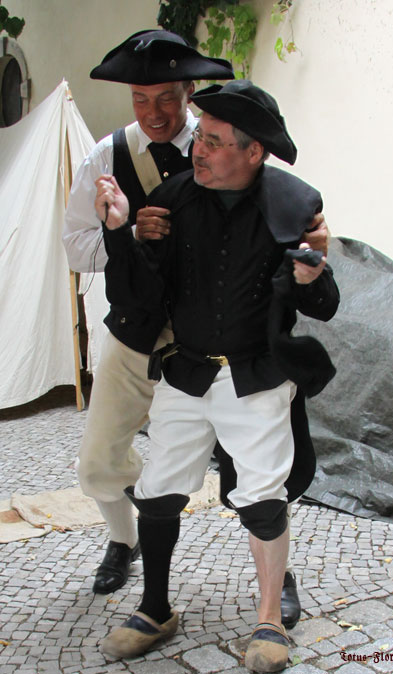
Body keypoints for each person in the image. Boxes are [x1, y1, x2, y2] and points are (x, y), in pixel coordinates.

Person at [63, 29, 325, 628]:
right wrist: (127, 232)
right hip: (144, 332)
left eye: (167, 97)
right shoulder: (111, 159)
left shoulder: (227, 145)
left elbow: (292, 239)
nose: (154, 112)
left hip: (236, 345)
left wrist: (310, 259)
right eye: (140, 99)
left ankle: (274, 578)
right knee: (106, 462)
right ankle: (127, 545)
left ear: (187, 93)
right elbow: (81, 249)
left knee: (255, 476)